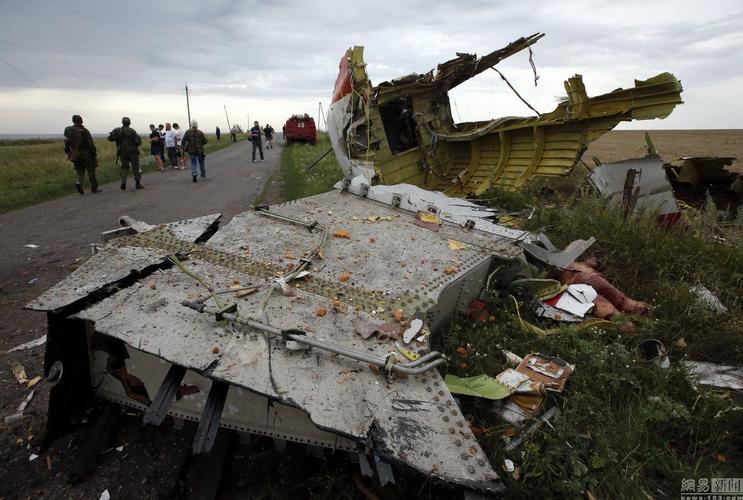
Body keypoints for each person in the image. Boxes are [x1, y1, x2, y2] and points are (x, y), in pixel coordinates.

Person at [63, 114, 100, 194]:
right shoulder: (84, 131)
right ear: (81, 121)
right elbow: (91, 144)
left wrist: (69, 153)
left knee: (80, 171)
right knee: (91, 170)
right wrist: (94, 154)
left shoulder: (69, 131)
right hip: (86, 153)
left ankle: (79, 183)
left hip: (75, 153)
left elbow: (66, 143)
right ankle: (94, 188)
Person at [107, 116, 143, 190]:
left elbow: (110, 139)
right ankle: (137, 184)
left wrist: (112, 135)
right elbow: (138, 142)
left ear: (122, 122)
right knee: (135, 167)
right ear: (129, 123)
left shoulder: (117, 130)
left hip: (122, 152)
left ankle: (123, 182)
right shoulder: (132, 131)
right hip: (132, 152)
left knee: (124, 167)